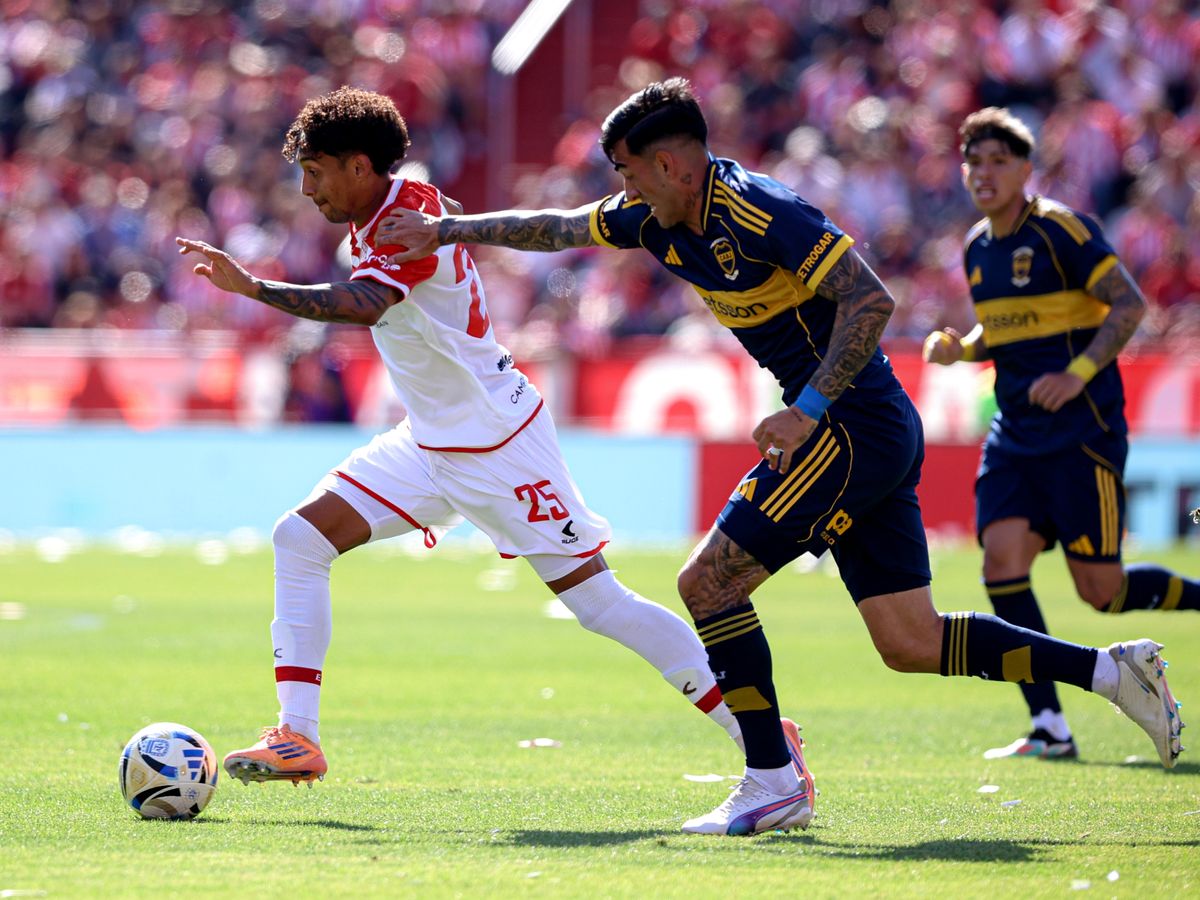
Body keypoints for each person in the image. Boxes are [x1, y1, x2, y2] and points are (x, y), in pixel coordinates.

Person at [381, 78, 1185, 836]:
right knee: (910, 641)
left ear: (672, 163)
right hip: (863, 429)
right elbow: (558, 227)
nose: (621, 190)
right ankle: (1113, 674)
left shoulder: (761, 210)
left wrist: (808, 408)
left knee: (708, 582)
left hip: (849, 424)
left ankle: (772, 780)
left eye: (627, 172)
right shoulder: (653, 217)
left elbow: (871, 299)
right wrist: (447, 231)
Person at [175, 86, 767, 791]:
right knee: (299, 538)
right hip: (430, 443)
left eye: (316, 171)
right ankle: (297, 736)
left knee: (599, 603)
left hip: (498, 446)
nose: (307, 189)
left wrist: (256, 289)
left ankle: (761, 735)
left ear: (360, 166)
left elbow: (366, 303)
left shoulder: (401, 223)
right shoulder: (396, 206)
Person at [923, 107, 1200, 761]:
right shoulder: (977, 247)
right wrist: (964, 349)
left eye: (998, 161)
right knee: (1001, 563)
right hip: (1015, 433)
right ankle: (1049, 723)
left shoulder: (1061, 230)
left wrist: (1076, 374)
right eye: (974, 162)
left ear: (1025, 169)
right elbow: (1005, 328)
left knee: (1101, 591)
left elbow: (1129, 303)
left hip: (1082, 430)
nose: (984, 173)